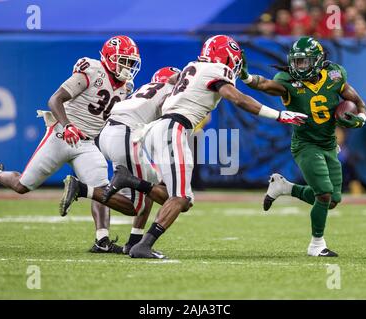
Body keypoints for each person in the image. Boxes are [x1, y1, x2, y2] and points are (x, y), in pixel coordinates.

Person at [98, 35, 308, 259]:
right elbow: (238, 99)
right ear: (226, 56)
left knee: (182, 199)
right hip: (173, 129)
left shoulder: (193, 66)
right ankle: (143, 245)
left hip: (159, 129)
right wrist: (279, 115)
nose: (234, 65)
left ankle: (133, 187)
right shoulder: (217, 70)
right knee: (179, 198)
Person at [0, 35, 141, 253]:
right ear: (109, 58)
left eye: (130, 62)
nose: (127, 66)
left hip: (87, 144)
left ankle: (102, 240)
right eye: (123, 60)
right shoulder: (91, 70)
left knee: (99, 190)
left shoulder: (127, 87)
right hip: (62, 135)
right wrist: (68, 125)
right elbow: (55, 100)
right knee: (23, 185)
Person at [240, 36, 366, 257]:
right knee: (324, 194)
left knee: (333, 201)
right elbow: (265, 84)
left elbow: (358, 102)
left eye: (304, 61)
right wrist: (247, 77)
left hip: (329, 144)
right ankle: (317, 245)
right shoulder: (287, 81)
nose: (299, 66)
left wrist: (361, 118)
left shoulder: (335, 75)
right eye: (296, 61)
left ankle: (284, 188)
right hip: (305, 144)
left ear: (317, 61)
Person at [60, 66, 181, 255]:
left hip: (109, 134)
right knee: (135, 206)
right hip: (124, 135)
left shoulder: (146, 90)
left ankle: (134, 242)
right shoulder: (167, 93)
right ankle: (83, 189)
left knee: (152, 182)